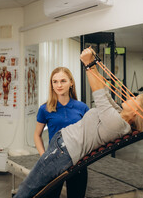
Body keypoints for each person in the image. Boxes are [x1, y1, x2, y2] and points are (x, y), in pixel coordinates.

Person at [14, 48, 143, 198]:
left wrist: (88, 65)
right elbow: (104, 92)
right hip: (62, 147)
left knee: (27, 189)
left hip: (63, 151)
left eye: (135, 99)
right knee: (33, 189)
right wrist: (95, 66)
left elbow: (99, 95)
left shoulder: (116, 123)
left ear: (138, 111)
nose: (131, 97)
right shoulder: (119, 116)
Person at [34, 67, 89, 198]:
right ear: (51, 85)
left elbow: (89, 135)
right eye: (55, 81)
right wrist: (44, 157)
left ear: (71, 83)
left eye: (63, 81)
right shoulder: (45, 109)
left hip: (78, 162)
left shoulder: (82, 107)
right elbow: (37, 135)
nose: (59, 85)